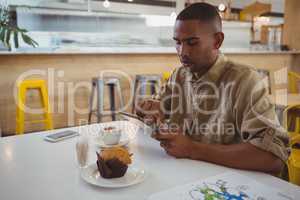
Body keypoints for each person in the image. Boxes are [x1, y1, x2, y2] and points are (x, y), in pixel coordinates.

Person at [136, 2, 289, 174]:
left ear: (217, 41)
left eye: (192, 42)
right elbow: (161, 108)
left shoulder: (244, 81)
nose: (182, 52)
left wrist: (192, 149)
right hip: (181, 177)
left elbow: (273, 158)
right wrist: (151, 109)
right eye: (178, 42)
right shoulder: (179, 75)